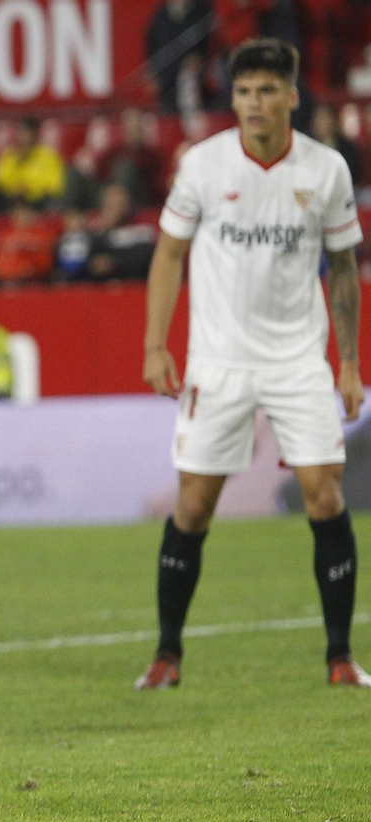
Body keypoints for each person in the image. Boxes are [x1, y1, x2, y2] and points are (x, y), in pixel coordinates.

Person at [138, 38, 369, 690]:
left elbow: (344, 269)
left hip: (299, 358)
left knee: (324, 492)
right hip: (219, 360)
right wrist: (155, 344)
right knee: (193, 505)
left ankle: (340, 657)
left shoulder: (325, 169)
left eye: (267, 91)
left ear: (291, 96)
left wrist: (349, 362)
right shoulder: (204, 165)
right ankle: (166, 655)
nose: (254, 103)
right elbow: (168, 254)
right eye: (243, 92)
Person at [0, 118, 65, 208]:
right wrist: (16, 188)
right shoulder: (9, 157)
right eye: (21, 134)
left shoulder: (49, 157)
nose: (24, 138)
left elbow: (54, 187)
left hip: (39, 202)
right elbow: (1, 183)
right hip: (13, 200)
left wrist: (31, 189)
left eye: (27, 134)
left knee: (53, 203)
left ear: (35, 135)